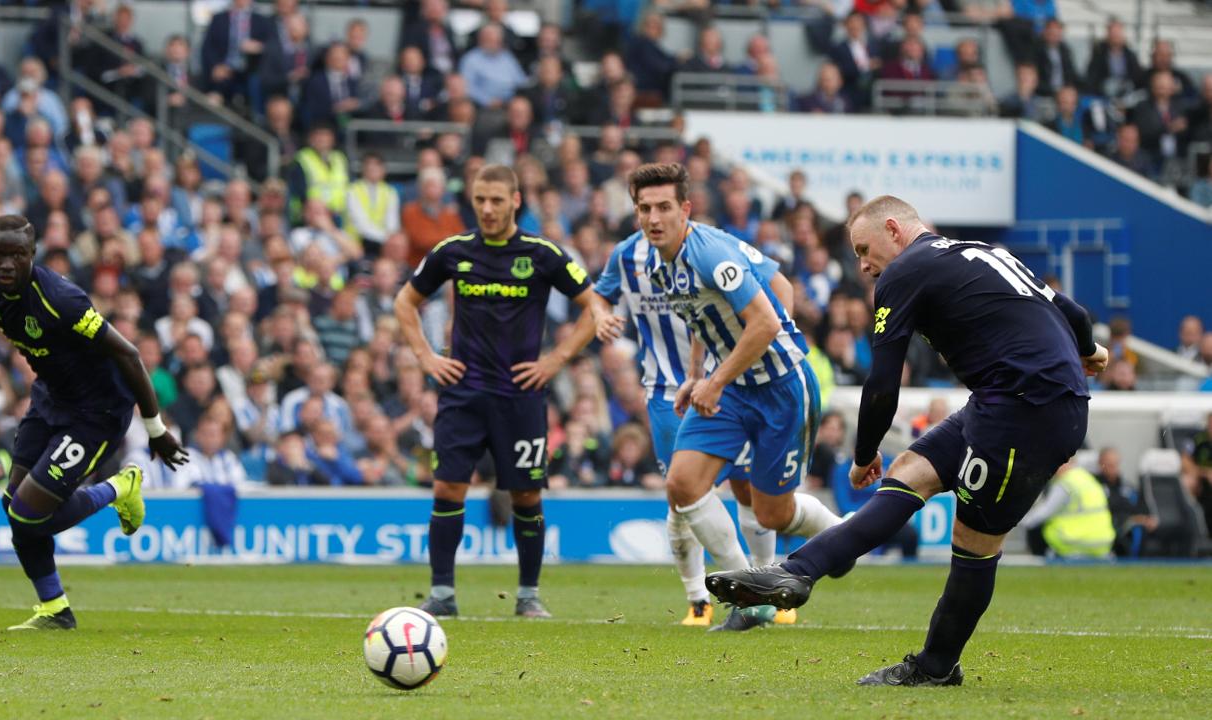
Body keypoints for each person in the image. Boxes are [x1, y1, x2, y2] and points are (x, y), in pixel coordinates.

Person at [706, 195, 1108, 686]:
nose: (863, 265)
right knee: (909, 474)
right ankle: (797, 571)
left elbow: (882, 383)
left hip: (1027, 409)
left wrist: (863, 452)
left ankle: (936, 666)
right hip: (1011, 401)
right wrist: (1089, 351)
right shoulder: (983, 251)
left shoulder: (904, 271)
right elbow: (1076, 315)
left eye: (863, 249)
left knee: (974, 542)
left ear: (894, 230)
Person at [0, 215, 188, 630]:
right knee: (14, 506)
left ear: (32, 255)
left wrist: (155, 430)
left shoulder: (61, 299)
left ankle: (122, 486)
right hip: (50, 400)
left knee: (29, 513)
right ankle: (55, 609)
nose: (7, 264)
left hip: (97, 413)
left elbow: (129, 355)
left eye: (17, 254)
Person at [565, 169, 824, 630]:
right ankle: (749, 597)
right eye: (645, 208)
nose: (653, 217)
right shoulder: (656, 261)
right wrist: (695, 375)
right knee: (682, 485)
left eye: (664, 207)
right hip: (726, 388)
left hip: (780, 384)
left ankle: (844, 536)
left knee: (772, 512)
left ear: (685, 209)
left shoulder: (710, 252)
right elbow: (701, 317)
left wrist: (716, 380)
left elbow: (765, 321)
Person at [394, 164, 609, 618]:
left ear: (515, 200)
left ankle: (528, 595)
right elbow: (405, 301)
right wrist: (426, 357)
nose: (487, 209)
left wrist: (555, 360)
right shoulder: (452, 251)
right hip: (463, 393)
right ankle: (443, 594)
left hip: (520, 396)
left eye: (496, 200)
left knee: (526, 495)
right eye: (480, 200)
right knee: (448, 487)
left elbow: (594, 306)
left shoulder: (542, 253)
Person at [1020, 458, 1115, 558]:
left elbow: (1043, 513)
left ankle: (1041, 561)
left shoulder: (1065, 483)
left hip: (1073, 543)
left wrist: (1017, 522)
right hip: (1102, 544)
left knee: (1037, 528)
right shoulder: (1087, 477)